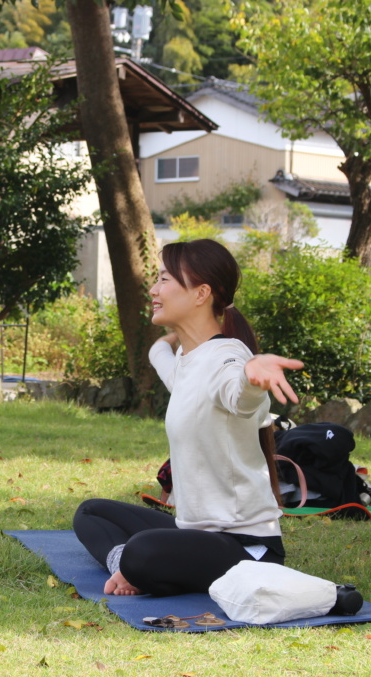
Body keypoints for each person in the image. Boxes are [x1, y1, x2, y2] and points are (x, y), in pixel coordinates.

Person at [73, 239, 303, 597]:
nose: (154, 288)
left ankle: (137, 567)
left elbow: (238, 396)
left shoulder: (227, 357)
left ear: (201, 293)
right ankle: (128, 569)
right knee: (91, 513)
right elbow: (158, 352)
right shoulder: (186, 362)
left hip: (245, 548)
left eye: (165, 279)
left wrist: (252, 376)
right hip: (193, 534)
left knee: (143, 551)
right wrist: (172, 333)